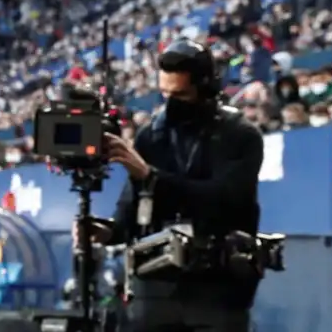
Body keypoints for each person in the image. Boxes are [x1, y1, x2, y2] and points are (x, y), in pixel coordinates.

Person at [75, 39, 264, 332]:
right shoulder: (151, 135)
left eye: (181, 95)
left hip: (217, 290)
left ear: (206, 88)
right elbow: (133, 210)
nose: (172, 104)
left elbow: (224, 201)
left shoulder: (240, 135)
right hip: (155, 290)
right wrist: (108, 231)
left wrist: (150, 176)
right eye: (165, 94)